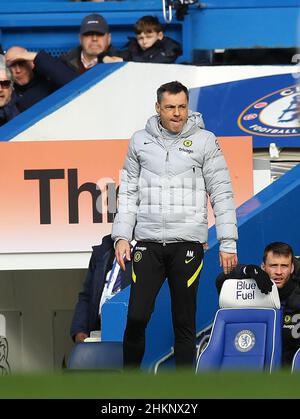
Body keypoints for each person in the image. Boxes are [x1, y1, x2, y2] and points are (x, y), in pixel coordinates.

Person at [111, 80, 238, 369]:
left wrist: (228, 242)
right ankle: (128, 387)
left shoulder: (206, 140)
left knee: (184, 321)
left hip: (188, 245)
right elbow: (128, 192)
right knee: (136, 317)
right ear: (158, 108)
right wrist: (121, 236)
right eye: (170, 107)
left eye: (182, 106)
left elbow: (222, 193)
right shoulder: (138, 140)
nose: (177, 113)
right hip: (148, 244)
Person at [216, 242, 300, 367]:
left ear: (292, 268)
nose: (278, 272)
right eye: (273, 266)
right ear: (263, 267)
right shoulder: (253, 287)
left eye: (284, 266)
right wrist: (247, 270)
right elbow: (221, 281)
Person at [70, 235, 132, 343]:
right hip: (99, 329)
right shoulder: (104, 249)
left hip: (129, 331)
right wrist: (79, 330)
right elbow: (87, 295)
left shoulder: (147, 250)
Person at [5, 47, 77, 112]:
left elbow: (75, 83)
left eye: (22, 63)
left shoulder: (49, 80)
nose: (18, 70)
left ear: (31, 63)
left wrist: (36, 56)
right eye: (12, 65)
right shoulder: (7, 92)